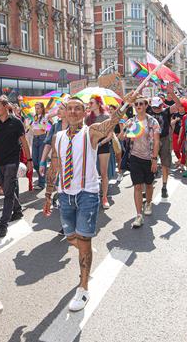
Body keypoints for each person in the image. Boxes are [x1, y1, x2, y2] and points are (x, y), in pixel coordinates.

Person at [43, 92, 136, 312]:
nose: (74, 111)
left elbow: (110, 124)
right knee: (71, 238)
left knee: (83, 242)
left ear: (85, 113)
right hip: (65, 195)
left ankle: (83, 288)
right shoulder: (58, 137)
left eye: (79, 108)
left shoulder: (91, 132)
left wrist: (125, 105)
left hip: (87, 194)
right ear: (63, 112)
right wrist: (48, 196)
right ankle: (87, 254)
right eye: (70, 108)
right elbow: (54, 167)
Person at [0, 97, 33, 238]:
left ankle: (3, 224)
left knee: (8, 194)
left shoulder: (16, 122)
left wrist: (29, 160)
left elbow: (24, 142)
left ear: (5, 106)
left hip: (12, 162)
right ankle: (17, 210)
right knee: (6, 189)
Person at [127, 97, 160, 227]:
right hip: (135, 157)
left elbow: (156, 141)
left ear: (146, 105)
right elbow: (124, 136)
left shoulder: (152, 122)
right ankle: (138, 215)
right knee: (137, 186)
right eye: (136, 104)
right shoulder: (131, 121)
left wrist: (154, 159)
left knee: (149, 184)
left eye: (141, 103)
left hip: (149, 157)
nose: (138, 105)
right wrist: (126, 130)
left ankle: (148, 202)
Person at [149, 87, 177, 198]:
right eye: (154, 107)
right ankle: (149, 186)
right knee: (150, 163)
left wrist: (173, 94)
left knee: (165, 164)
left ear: (162, 105)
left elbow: (179, 105)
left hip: (164, 139)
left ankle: (164, 186)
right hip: (151, 140)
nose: (156, 109)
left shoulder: (167, 111)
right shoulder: (148, 110)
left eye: (158, 107)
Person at [85, 96, 111, 208]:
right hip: (91, 146)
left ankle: (104, 197)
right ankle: (91, 196)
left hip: (103, 145)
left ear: (98, 103)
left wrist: (100, 143)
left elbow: (110, 135)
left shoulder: (106, 116)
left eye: (92, 102)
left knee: (103, 172)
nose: (89, 104)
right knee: (90, 172)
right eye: (89, 103)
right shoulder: (87, 118)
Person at [31, 102, 49, 190]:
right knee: (34, 162)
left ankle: (42, 183)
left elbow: (46, 128)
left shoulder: (45, 116)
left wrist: (37, 122)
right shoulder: (34, 116)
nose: (36, 110)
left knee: (41, 161)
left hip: (42, 138)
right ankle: (42, 178)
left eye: (38, 108)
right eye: (36, 108)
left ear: (42, 108)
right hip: (35, 139)